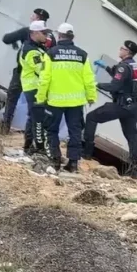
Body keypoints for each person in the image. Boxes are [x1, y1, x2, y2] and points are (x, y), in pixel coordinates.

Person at [36, 22, 96, 172]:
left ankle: (55, 160)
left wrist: (40, 97)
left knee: (51, 130)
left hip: (55, 101)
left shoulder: (50, 54)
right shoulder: (83, 55)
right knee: (74, 131)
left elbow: (45, 78)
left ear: (59, 36)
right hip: (76, 102)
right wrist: (91, 96)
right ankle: (73, 163)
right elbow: (89, 78)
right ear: (72, 37)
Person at [83, 40, 137, 175]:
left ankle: (86, 152)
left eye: (122, 48)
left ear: (127, 52)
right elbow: (123, 79)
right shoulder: (134, 65)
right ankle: (133, 170)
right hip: (133, 106)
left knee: (91, 117)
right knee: (131, 136)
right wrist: (106, 68)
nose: (119, 50)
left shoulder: (123, 67)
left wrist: (95, 84)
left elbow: (115, 86)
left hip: (121, 105)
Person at [1, 8, 50, 128]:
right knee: (37, 106)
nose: (31, 17)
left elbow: (6, 38)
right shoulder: (49, 37)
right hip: (40, 77)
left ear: (37, 19)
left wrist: (15, 42)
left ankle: (5, 126)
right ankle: (35, 131)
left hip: (24, 73)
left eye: (33, 16)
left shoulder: (28, 32)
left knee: (12, 98)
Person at [19, 20, 50, 153]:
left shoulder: (37, 47)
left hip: (34, 87)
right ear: (35, 33)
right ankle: (39, 147)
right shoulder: (31, 51)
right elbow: (41, 69)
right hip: (34, 88)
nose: (46, 36)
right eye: (44, 33)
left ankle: (27, 145)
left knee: (33, 116)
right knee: (38, 118)